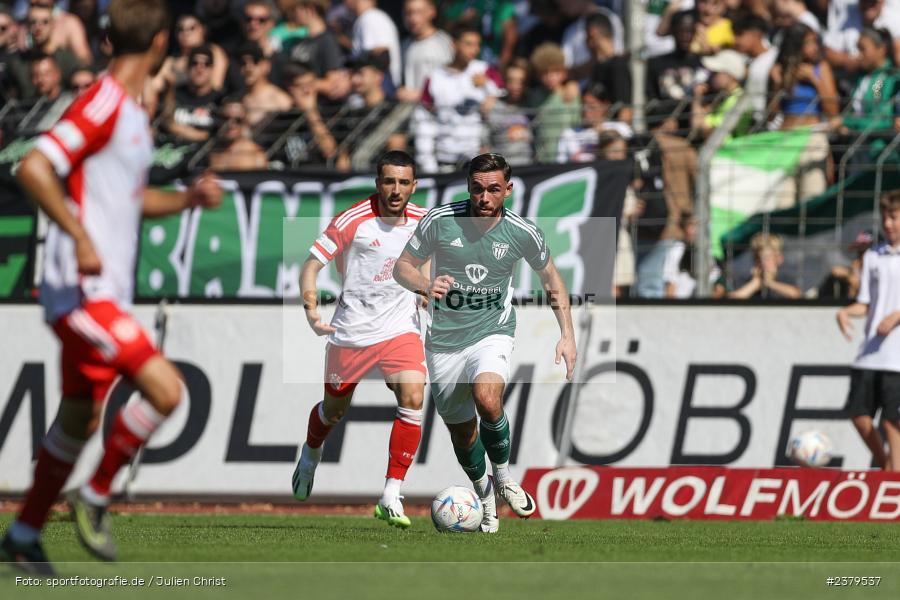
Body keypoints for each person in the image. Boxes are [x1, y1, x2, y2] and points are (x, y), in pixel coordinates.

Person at [0, 0, 222, 573]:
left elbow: (131, 200)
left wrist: (186, 200)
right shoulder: (102, 102)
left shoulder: (127, 111)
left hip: (100, 293)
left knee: (81, 419)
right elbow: (33, 167)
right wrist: (76, 234)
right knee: (167, 391)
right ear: (161, 44)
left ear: (105, 41)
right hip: (81, 291)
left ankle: (24, 534)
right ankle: (96, 493)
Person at [393, 153, 577, 532]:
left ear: (507, 190)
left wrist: (567, 336)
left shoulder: (522, 232)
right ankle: (485, 493)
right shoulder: (440, 221)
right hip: (443, 342)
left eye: (494, 189)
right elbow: (402, 266)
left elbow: (552, 280)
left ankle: (505, 477)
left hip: (492, 332)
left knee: (487, 397)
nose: (484, 197)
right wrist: (426, 285)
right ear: (468, 188)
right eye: (477, 189)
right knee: (462, 432)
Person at [292, 150, 429, 529]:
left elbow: (428, 260)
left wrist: (424, 290)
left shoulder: (422, 220)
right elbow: (311, 265)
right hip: (351, 332)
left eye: (404, 182)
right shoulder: (354, 219)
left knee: (414, 397)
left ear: (413, 186)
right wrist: (311, 309)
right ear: (378, 183)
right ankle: (311, 451)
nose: (396, 189)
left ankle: (391, 493)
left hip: (400, 329)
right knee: (334, 410)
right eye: (389, 181)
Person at [836, 190, 900, 471]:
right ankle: (886, 465)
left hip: (896, 356)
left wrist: (896, 316)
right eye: (885, 217)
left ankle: (894, 481)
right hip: (871, 351)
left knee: (892, 420)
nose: (888, 223)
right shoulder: (874, 255)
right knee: (858, 414)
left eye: (894, 217)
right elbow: (866, 302)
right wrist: (846, 311)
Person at [396, 0, 452, 103]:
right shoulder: (404, 45)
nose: (413, 18)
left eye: (418, 12)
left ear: (432, 12)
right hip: (412, 115)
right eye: (409, 13)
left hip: (436, 114)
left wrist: (421, 95)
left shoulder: (444, 43)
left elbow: (452, 83)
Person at [728, 233, 802, 299]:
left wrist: (771, 283)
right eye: (758, 259)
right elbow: (732, 299)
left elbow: (796, 294)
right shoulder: (746, 279)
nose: (763, 262)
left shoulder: (785, 278)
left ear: (779, 258)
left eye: (767, 258)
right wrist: (755, 283)